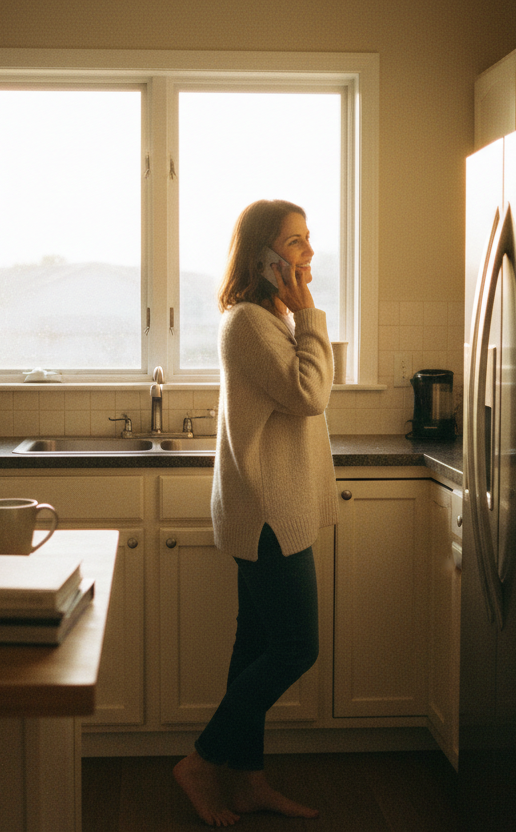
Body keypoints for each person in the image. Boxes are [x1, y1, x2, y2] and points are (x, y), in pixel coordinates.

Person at [173, 199, 337, 827]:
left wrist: (298, 317)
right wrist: (308, 315)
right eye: (295, 243)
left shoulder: (271, 318)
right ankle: (203, 760)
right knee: (297, 646)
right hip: (271, 515)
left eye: (306, 240)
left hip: (276, 507)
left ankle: (246, 781)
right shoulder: (248, 322)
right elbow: (309, 394)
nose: (308, 253)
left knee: (255, 646)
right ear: (265, 258)